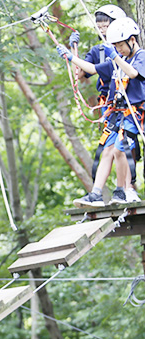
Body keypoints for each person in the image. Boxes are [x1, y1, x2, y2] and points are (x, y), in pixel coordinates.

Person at [57, 17, 145, 207]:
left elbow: (133, 74)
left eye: (121, 45)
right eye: (116, 46)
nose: (119, 49)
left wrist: (114, 57)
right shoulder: (118, 59)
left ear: (132, 40)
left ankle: (123, 191)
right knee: (108, 150)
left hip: (132, 113)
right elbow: (92, 68)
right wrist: (71, 57)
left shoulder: (139, 57)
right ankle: (97, 194)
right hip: (116, 113)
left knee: (121, 149)